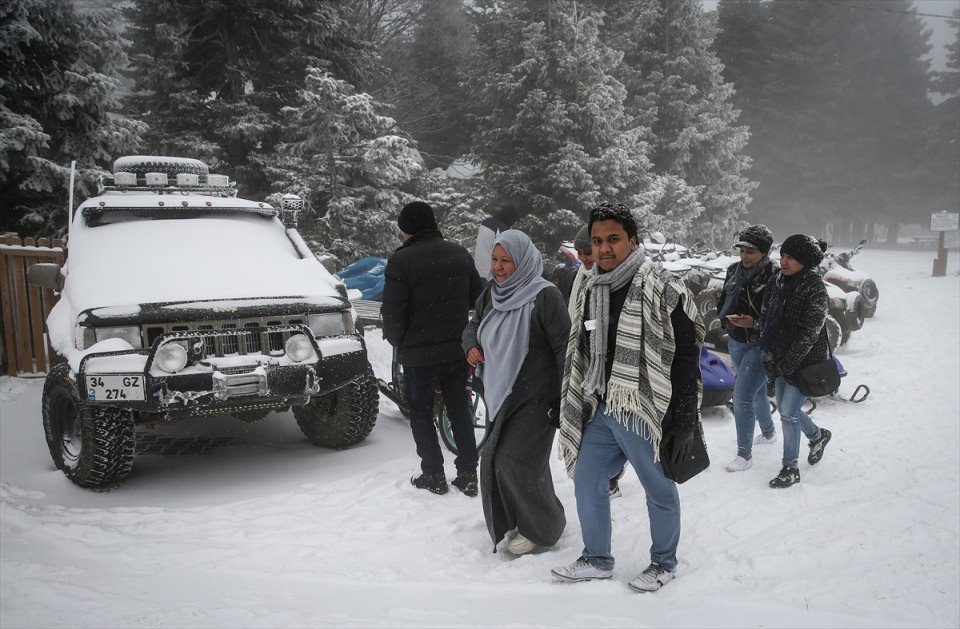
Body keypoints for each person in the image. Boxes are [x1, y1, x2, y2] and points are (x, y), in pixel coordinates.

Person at [550, 202, 704, 593]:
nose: (604, 249)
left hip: (644, 407)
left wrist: (684, 418)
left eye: (613, 239)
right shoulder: (589, 286)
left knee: (659, 488)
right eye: (597, 241)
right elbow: (579, 348)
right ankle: (597, 559)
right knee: (587, 481)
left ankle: (663, 563)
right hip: (602, 404)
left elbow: (687, 356)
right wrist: (569, 395)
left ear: (632, 241)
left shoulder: (663, 286)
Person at [463, 230, 570, 555]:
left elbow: (565, 347)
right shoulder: (491, 294)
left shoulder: (545, 296)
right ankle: (520, 516)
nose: (498, 267)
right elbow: (473, 325)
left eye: (506, 260)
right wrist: (471, 346)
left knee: (514, 461)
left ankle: (543, 528)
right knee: (498, 460)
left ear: (522, 261)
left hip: (538, 397)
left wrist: (564, 397)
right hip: (501, 394)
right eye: (495, 260)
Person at [381, 201, 486, 496]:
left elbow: (392, 312)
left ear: (407, 229)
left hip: (419, 354)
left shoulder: (401, 262)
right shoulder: (459, 254)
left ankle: (434, 474)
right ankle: (467, 472)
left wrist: (399, 341)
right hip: (455, 349)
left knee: (420, 412)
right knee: (459, 409)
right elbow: (477, 298)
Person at [759, 234, 833, 489]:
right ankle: (817, 435)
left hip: (804, 360)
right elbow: (766, 315)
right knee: (785, 409)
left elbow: (811, 332)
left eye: (791, 257)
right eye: (783, 255)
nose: (784, 261)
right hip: (779, 355)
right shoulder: (777, 280)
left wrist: (788, 364)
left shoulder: (814, 286)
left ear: (805, 260)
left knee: (788, 413)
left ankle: (790, 467)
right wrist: (768, 353)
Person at [718, 225, 779, 473]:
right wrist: (725, 318)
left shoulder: (775, 275)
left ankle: (744, 455)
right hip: (735, 338)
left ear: (764, 252)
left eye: (751, 251)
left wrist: (754, 323)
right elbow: (724, 298)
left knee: (741, 395)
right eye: (742, 250)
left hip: (760, 342)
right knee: (757, 391)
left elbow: (777, 315)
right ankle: (769, 432)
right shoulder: (733, 270)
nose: (744, 255)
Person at [473, 205, 520, 278]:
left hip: (478, 269)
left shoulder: (485, 222)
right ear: (509, 217)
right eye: (514, 220)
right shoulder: (502, 230)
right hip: (490, 274)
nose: (513, 223)